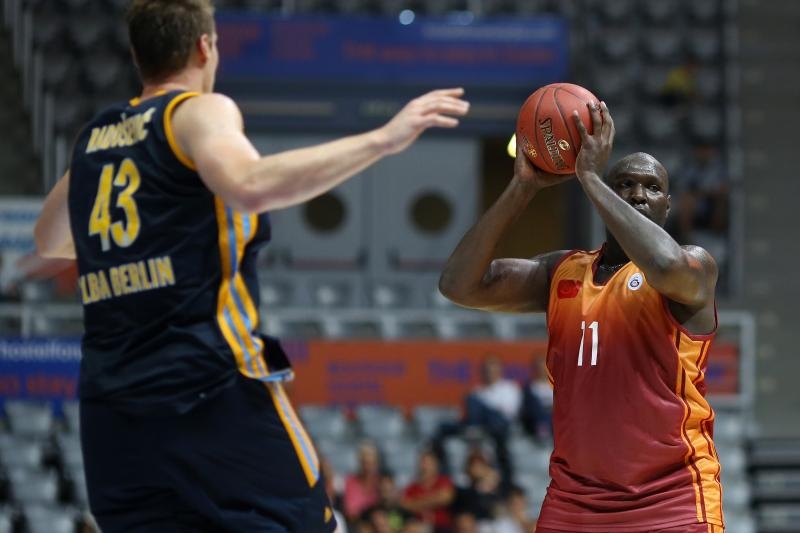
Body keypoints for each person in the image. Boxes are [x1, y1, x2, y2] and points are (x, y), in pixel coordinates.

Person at [32, 1, 469, 531]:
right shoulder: (197, 112)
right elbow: (251, 184)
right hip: (206, 386)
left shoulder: (95, 137)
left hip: (112, 410)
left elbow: (50, 237)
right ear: (205, 46)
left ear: (136, 54)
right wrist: (383, 140)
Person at [439, 101, 723, 532]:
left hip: (672, 497)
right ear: (606, 199)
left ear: (667, 206)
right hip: (575, 501)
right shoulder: (562, 271)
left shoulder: (694, 267)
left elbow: (664, 267)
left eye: (651, 188)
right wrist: (523, 187)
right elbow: (459, 284)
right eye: (625, 184)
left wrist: (589, 175)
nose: (637, 195)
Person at [400, 449, 454, 533]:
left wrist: (418, 502)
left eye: (428, 463)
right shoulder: (412, 487)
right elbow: (405, 505)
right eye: (423, 462)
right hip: (420, 525)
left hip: (442, 527)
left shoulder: (443, 481)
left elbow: (446, 497)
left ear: (435, 465)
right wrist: (434, 499)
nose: (425, 466)